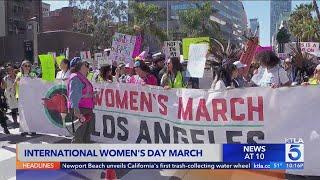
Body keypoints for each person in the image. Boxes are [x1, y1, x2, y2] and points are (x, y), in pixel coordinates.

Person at [67, 57, 95, 143]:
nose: (88, 67)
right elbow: (74, 95)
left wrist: (91, 95)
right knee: (79, 137)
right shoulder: (76, 77)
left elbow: (81, 93)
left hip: (86, 110)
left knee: (85, 137)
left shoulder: (81, 77)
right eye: (86, 65)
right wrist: (76, 111)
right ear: (80, 66)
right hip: (80, 110)